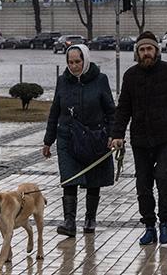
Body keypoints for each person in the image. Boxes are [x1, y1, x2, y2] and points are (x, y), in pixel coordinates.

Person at [110, 31, 167, 246]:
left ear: (156, 50)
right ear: (137, 53)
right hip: (140, 139)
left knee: (164, 179)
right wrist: (117, 134)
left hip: (166, 137)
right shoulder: (130, 76)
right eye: (142, 49)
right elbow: (123, 108)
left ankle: (165, 222)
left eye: (149, 49)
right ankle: (148, 225)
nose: (146, 53)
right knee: (143, 184)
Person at [43, 44, 115, 237]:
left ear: (85, 60)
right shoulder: (62, 81)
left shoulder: (100, 80)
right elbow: (55, 112)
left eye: (77, 61)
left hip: (94, 137)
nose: (74, 66)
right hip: (67, 137)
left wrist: (113, 135)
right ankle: (69, 222)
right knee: (69, 178)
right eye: (70, 62)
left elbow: (111, 111)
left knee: (93, 179)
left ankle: (90, 219)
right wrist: (48, 140)